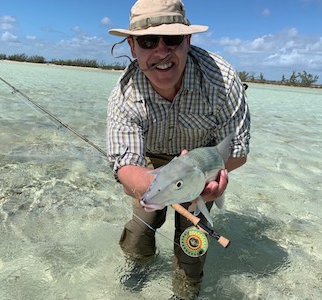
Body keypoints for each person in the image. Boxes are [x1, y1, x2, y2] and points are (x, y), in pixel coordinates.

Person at [106, 0, 250, 298]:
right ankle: (137, 270)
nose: (161, 51)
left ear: (187, 40)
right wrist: (159, 187)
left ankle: (184, 291)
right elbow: (126, 165)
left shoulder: (222, 80)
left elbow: (236, 150)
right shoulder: (124, 94)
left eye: (171, 39)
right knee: (139, 230)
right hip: (152, 164)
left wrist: (204, 182)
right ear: (133, 47)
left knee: (192, 245)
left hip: (205, 162)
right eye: (147, 41)